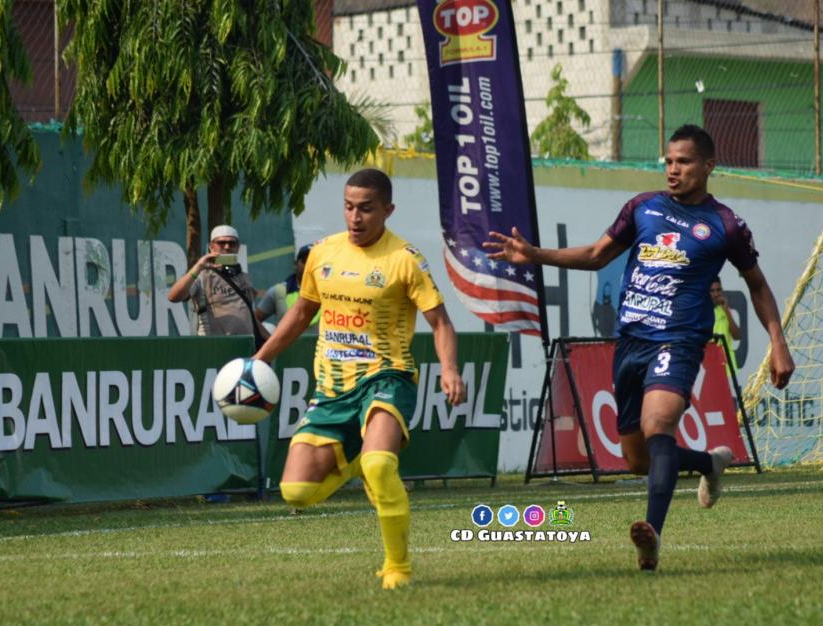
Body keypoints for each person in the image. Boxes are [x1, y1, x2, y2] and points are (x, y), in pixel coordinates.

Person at [484, 124, 794, 571]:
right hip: (631, 342)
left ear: (708, 166)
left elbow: (758, 285)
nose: (673, 169)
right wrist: (534, 255)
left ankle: (652, 538)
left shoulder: (725, 225)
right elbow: (596, 255)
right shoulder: (643, 207)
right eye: (668, 161)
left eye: (683, 162)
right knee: (636, 459)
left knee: (658, 424)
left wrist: (778, 343)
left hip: (681, 340)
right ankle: (709, 463)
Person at [253, 168, 465, 589]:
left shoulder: (405, 259)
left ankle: (398, 567)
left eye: (366, 209)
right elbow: (300, 314)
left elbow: (440, 322)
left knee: (381, 463)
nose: (355, 217)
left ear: (387, 210)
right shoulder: (323, 253)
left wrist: (450, 369)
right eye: (349, 207)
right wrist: (259, 359)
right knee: (296, 492)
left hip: (388, 378)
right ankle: (353, 464)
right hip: (332, 389)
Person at [167, 225, 268, 348]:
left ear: (238, 247)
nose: (227, 246)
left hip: (245, 348)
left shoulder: (244, 277)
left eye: (232, 243)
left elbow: (250, 316)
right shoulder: (202, 276)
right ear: (211, 247)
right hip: (214, 349)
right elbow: (173, 296)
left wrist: (272, 341)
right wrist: (198, 266)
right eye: (221, 242)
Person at [256, 244, 320, 333]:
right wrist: (268, 338)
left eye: (314, 262)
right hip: (289, 347)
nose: (309, 266)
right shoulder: (278, 292)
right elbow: (255, 321)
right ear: (296, 264)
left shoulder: (328, 292)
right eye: (305, 261)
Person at [709, 276, 741, 372]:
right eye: (712, 291)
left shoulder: (725, 310)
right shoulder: (701, 312)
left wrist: (727, 311)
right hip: (709, 368)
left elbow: (737, 336)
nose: (716, 294)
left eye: (718, 290)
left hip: (728, 369)